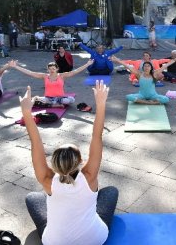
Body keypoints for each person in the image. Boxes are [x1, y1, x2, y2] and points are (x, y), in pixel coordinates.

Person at [23, 82, 119, 244]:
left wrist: (26, 112)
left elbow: (35, 142)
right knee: (111, 192)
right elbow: (97, 136)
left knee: (32, 197)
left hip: (55, 242)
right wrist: (101, 104)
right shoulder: (89, 175)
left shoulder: (47, 180)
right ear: (81, 161)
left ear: (53, 164)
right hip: (94, 240)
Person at [11, 59, 93, 107]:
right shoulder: (44, 76)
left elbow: (75, 71)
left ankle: (52, 104)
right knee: (36, 100)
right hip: (48, 98)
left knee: (71, 100)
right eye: (50, 69)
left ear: (57, 69)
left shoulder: (62, 76)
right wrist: (16, 66)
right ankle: (52, 103)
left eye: (53, 69)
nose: (51, 70)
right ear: (47, 70)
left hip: (60, 98)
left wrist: (87, 64)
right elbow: (30, 73)